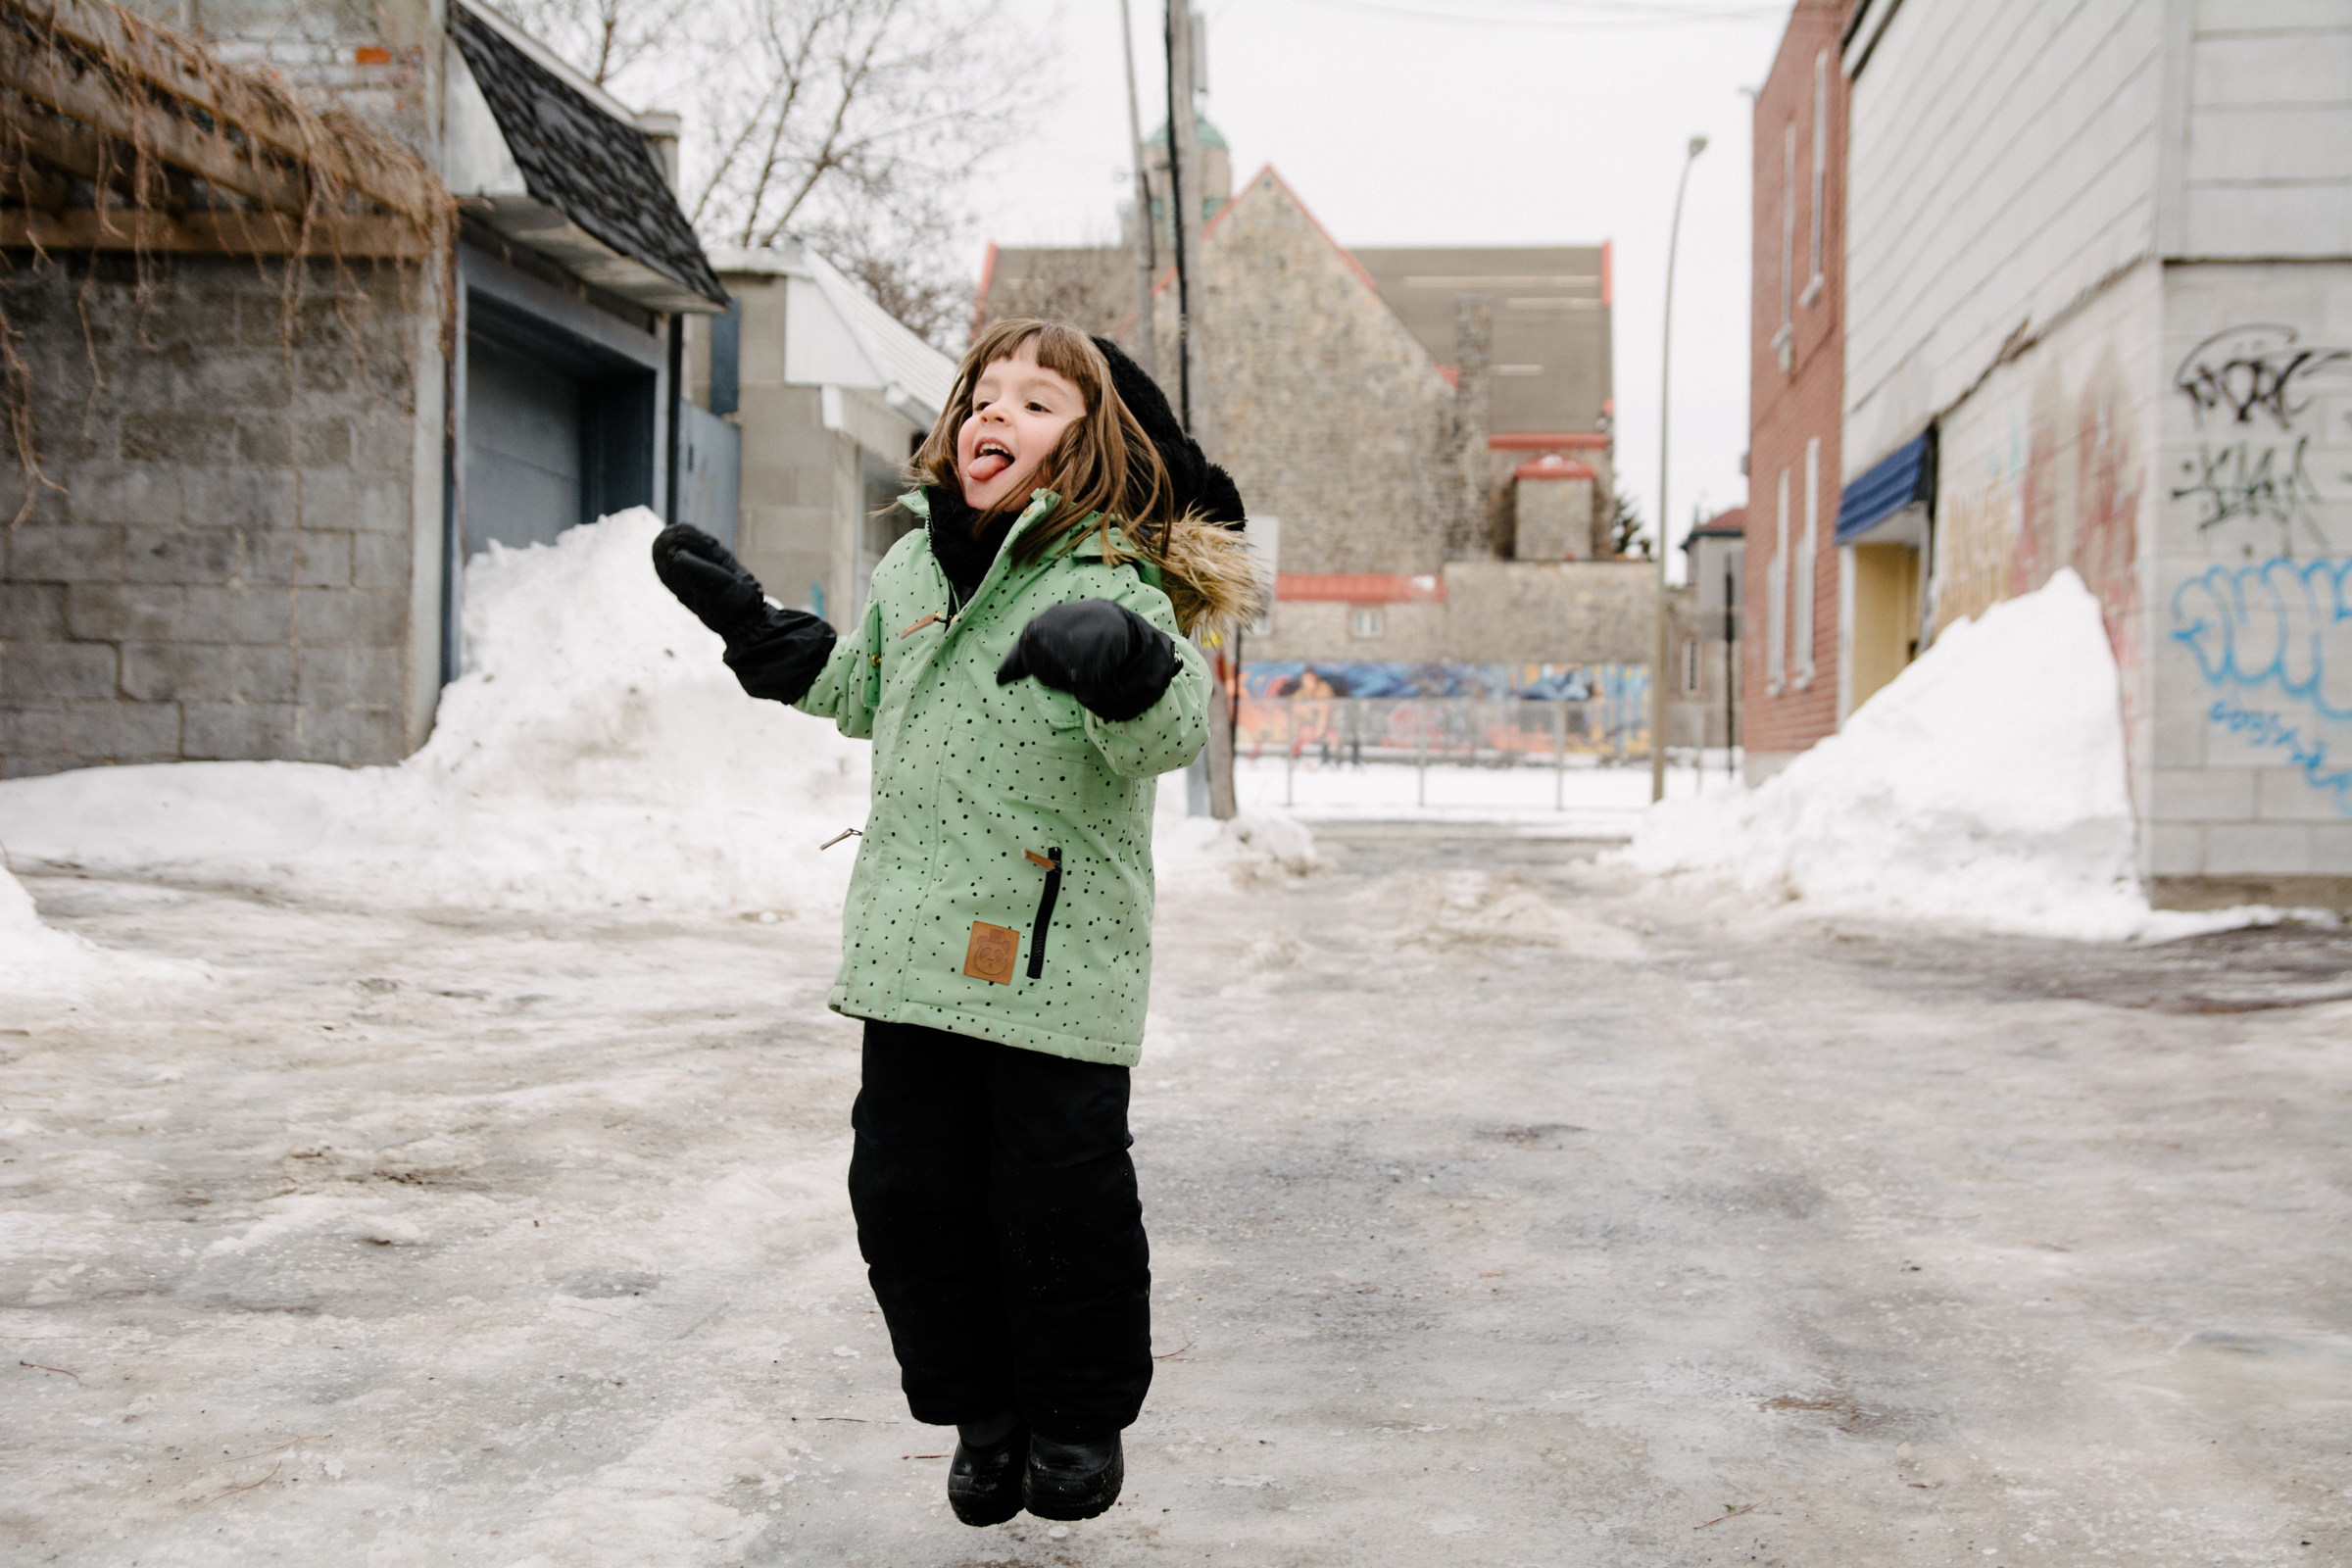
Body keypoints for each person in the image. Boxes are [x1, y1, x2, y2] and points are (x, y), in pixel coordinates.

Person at [649, 319, 1252, 1528]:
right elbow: (867, 687)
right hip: (913, 952)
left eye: (1036, 403)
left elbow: (1169, 726)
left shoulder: (1112, 579)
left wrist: (1126, 662)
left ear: (1094, 448)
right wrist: (763, 635)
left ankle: (1074, 1421)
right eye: (982, 394)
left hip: (1051, 958)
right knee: (908, 1198)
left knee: (1057, 1205)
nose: (993, 416)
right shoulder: (912, 569)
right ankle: (983, 1413)